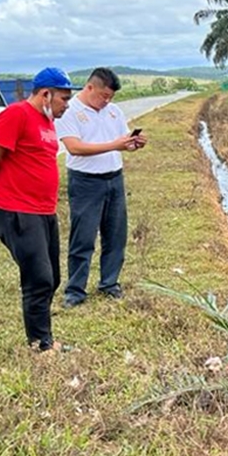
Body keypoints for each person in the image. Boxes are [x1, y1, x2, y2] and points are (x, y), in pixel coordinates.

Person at [0, 67, 74, 352]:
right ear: (46, 93)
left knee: (52, 278)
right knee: (38, 279)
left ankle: (45, 336)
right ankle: (40, 344)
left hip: (43, 210)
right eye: (63, 99)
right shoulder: (17, 115)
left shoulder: (46, 121)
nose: (66, 106)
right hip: (16, 209)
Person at [54, 67, 147, 308]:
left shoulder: (113, 111)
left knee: (115, 234)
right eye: (104, 95)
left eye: (111, 97)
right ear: (89, 87)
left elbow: (121, 143)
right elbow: (74, 147)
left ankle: (109, 283)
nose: (107, 101)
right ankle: (75, 290)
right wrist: (115, 144)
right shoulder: (70, 111)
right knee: (83, 237)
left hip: (114, 178)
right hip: (85, 181)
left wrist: (133, 143)